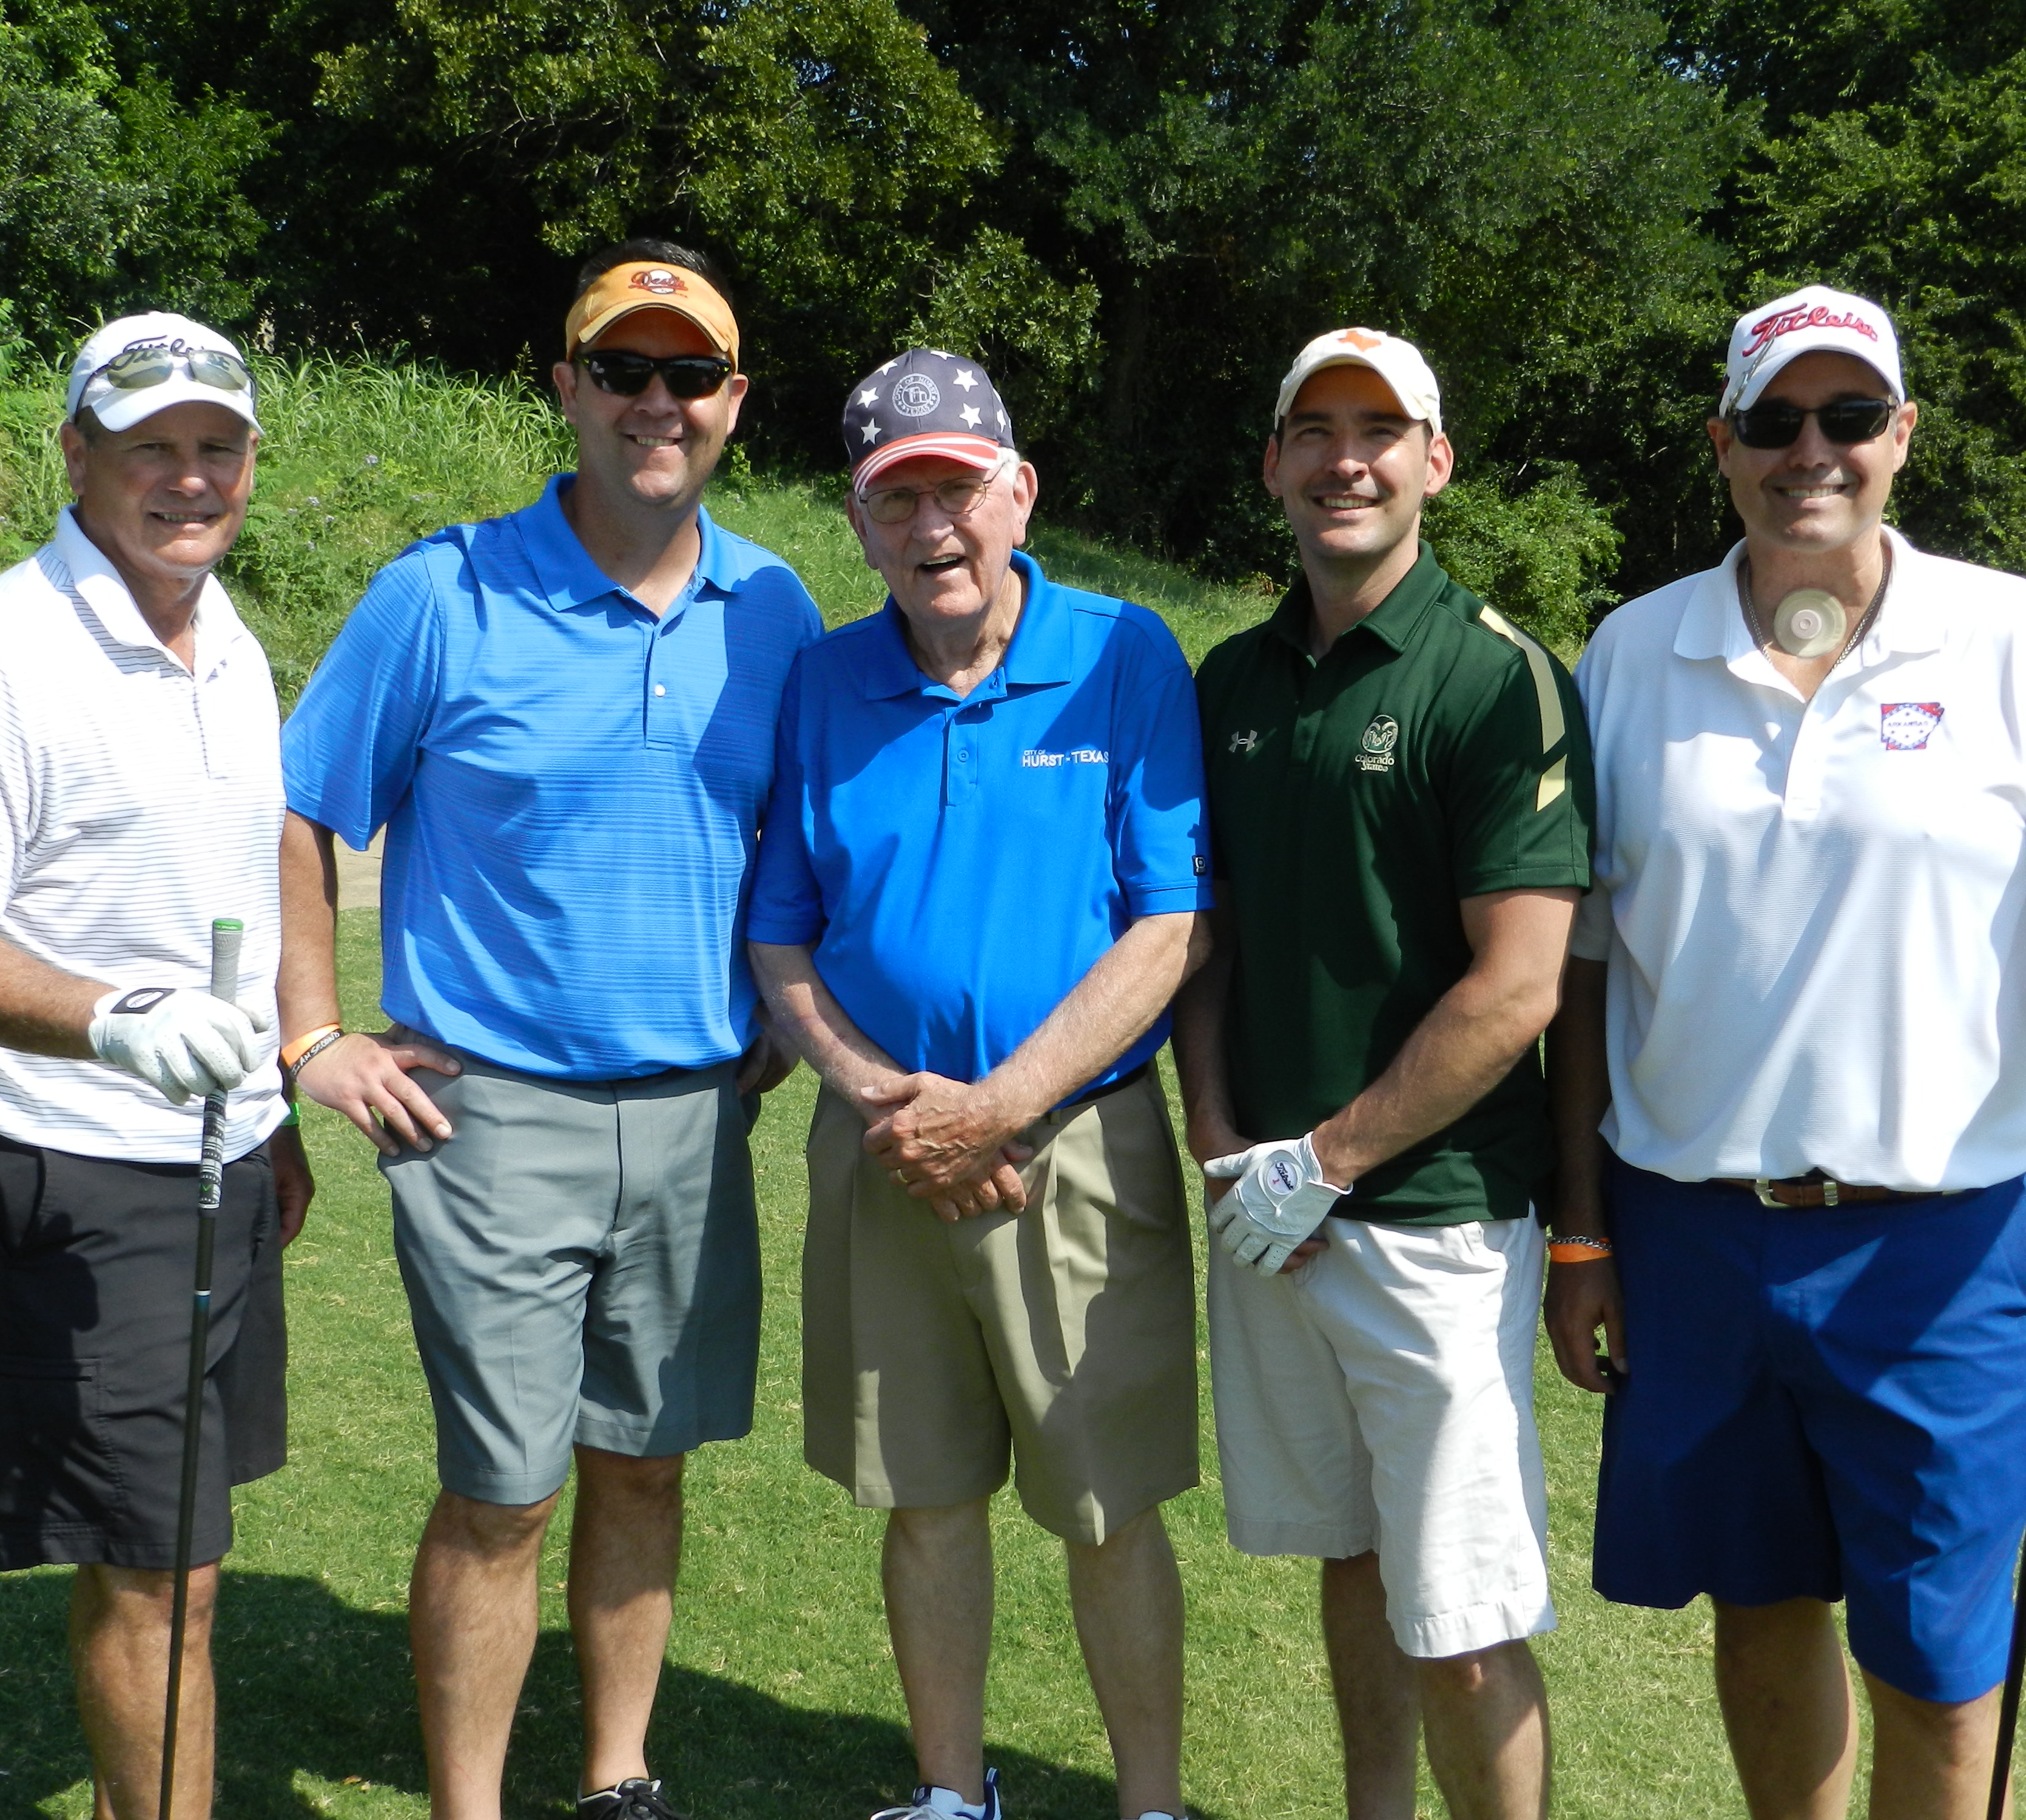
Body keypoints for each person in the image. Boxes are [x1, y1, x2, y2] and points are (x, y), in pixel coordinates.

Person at [1546, 284, 2026, 1820]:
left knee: (1938, 1667)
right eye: (1773, 420)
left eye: (1846, 416)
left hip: (1945, 1251)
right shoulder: (1631, 653)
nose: (1810, 451)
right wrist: (1580, 1230)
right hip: (1689, 1236)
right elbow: (1581, 975)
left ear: (1900, 435)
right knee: (1758, 1607)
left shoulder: (2018, 642)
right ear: (1720, 442)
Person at [275, 242, 821, 1820]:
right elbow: (302, 809)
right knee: (503, 1490)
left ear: (733, 401)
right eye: (624, 370)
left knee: (644, 1464)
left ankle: (616, 1777)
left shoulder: (772, 607)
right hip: (490, 1116)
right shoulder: (440, 592)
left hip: (700, 1115)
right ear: (566, 388)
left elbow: (795, 833)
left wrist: (786, 1010)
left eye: (689, 375)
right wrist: (313, 1039)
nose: (658, 402)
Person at [0, 311, 309, 1820]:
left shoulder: (228, 638)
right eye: (151, 446)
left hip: (212, 1158)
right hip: (68, 1164)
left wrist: (273, 1114)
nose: (190, 477)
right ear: (77, 456)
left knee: (186, 1558)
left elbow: (239, 881)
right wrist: (117, 1020)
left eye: (217, 446)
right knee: (155, 1573)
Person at [747, 348, 1212, 1820]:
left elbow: (1169, 921)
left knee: (1103, 1504)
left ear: (1019, 493)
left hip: (1069, 1142)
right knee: (924, 1496)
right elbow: (779, 935)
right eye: (896, 500)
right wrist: (884, 1100)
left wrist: (996, 1106)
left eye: (956, 490)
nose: (931, 527)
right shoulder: (824, 680)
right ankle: (950, 1796)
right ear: (857, 519)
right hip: (884, 1147)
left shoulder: (1123, 652)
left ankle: (1148, 1805)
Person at [1173, 328, 1591, 1820]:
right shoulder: (1230, 678)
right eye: (1315, 431)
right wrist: (1219, 1135)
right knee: (1349, 1559)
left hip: (1433, 1222)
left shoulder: (1496, 677)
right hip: (1271, 1213)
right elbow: (1206, 940)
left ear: (1434, 461)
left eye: (1378, 432)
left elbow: (1517, 985)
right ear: (1272, 462)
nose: (1344, 461)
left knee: (1462, 1619)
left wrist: (1325, 1160)